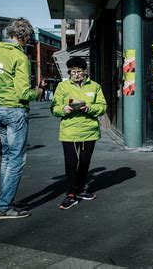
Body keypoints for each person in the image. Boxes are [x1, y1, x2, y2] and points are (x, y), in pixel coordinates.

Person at [0, 17, 43, 219]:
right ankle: (5, 207)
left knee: (7, 158)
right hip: (15, 110)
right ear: (22, 36)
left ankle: (6, 200)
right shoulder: (20, 57)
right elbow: (24, 93)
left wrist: (0, 92)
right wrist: (37, 92)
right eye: (28, 38)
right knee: (16, 159)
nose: (28, 41)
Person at [51, 57, 107, 210]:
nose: (76, 74)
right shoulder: (62, 86)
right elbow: (54, 108)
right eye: (73, 72)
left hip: (89, 131)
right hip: (69, 131)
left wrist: (89, 107)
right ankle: (70, 194)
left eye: (79, 71)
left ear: (85, 71)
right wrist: (64, 109)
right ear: (69, 72)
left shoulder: (94, 86)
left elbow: (102, 106)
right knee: (71, 163)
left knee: (84, 163)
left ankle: (81, 189)